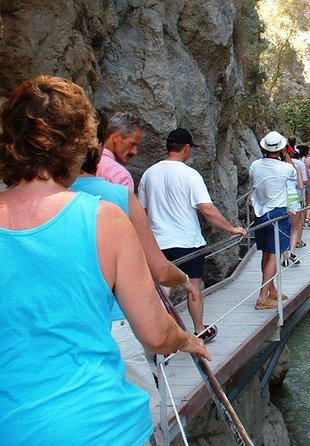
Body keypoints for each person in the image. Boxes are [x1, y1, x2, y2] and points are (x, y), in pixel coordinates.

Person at [0, 75, 209, 445]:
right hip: (103, 425)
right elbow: (156, 333)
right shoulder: (103, 217)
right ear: (78, 143)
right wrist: (187, 340)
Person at [71, 113, 197, 402]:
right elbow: (160, 270)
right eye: (133, 144)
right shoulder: (118, 188)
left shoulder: (52, 197)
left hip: (73, 325)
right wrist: (185, 284)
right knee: (146, 411)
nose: (136, 151)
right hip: (116, 318)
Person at [138, 128, 247, 342]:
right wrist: (232, 229)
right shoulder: (190, 174)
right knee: (193, 286)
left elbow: (141, 211)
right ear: (186, 149)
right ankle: (199, 329)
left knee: (162, 289)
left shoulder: (149, 174)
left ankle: (158, 334)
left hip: (158, 242)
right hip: (187, 242)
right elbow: (207, 209)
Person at [249, 131, 297, 309]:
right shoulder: (285, 168)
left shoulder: (254, 165)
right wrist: (286, 155)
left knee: (266, 254)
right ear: (282, 149)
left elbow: (254, 181)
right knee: (274, 256)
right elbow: (296, 177)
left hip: (259, 214)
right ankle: (262, 298)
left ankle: (272, 290)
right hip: (277, 213)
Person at [97, 111, 142, 192]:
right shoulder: (121, 177)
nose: (134, 151)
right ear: (116, 137)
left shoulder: (81, 165)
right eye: (132, 144)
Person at [282, 149, 305, 267]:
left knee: (283, 228)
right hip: (293, 198)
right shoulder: (296, 168)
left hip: (281, 199)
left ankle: (285, 257)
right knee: (295, 228)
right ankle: (292, 252)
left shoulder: (277, 168)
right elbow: (301, 186)